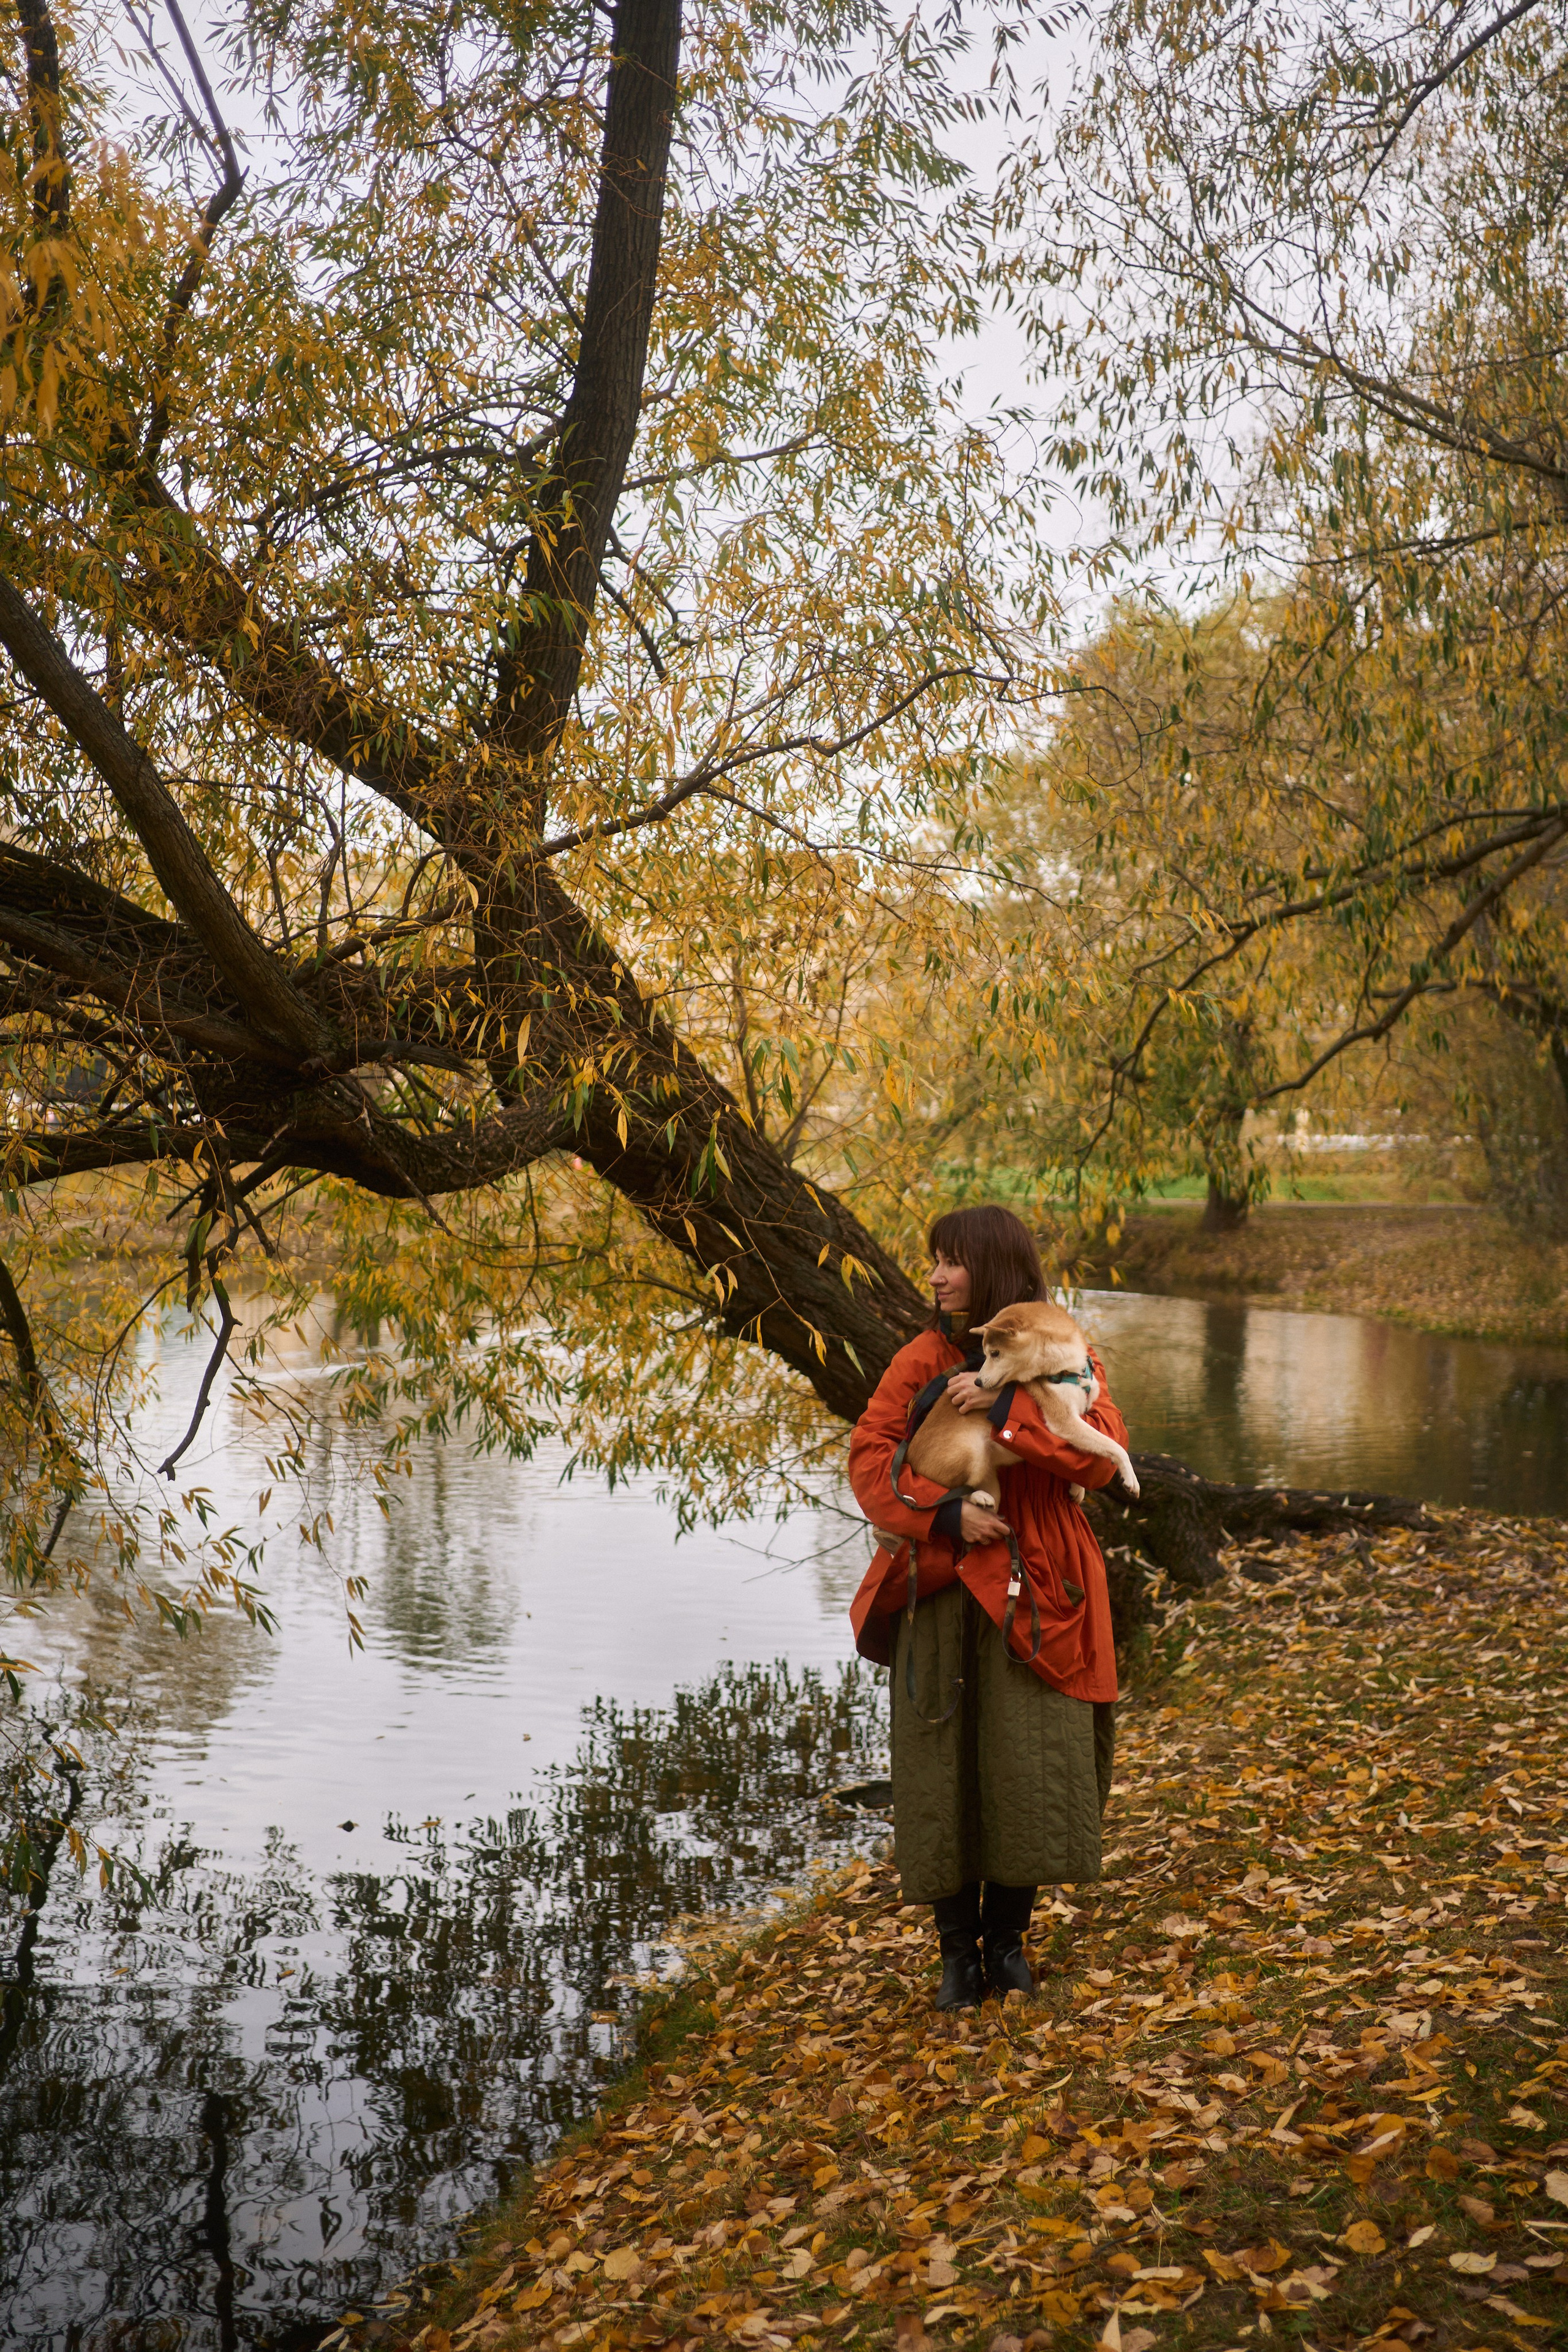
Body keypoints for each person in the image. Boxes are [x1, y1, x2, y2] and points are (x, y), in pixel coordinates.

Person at [846, 1204, 1126, 2009]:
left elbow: (1104, 1457)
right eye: (935, 1260)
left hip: (1041, 1582)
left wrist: (1007, 1406)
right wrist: (941, 1513)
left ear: (995, 1269)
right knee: (944, 1765)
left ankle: (1007, 1945)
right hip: (942, 1583)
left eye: (951, 1261)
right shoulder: (919, 1360)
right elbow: (871, 1461)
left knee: (1029, 1765)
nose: (934, 1275)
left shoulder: (1063, 1351)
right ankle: (956, 1956)